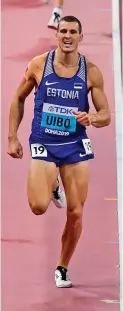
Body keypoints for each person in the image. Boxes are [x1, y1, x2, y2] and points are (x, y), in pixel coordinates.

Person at [7, 15, 111, 288]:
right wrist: (12, 138)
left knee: (76, 212)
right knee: (38, 206)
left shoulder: (91, 72)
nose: (67, 36)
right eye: (62, 31)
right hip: (44, 142)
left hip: (74, 145)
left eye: (72, 32)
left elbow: (105, 115)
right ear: (57, 36)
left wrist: (92, 118)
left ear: (80, 37)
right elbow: (18, 97)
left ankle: (62, 267)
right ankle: (52, 184)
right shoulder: (39, 65)